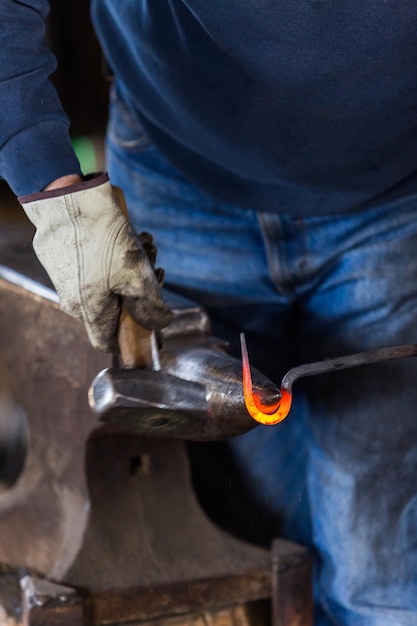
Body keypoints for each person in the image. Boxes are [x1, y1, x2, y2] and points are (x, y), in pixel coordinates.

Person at [2, 2, 417, 624]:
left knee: (376, 580)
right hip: (176, 164)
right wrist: (52, 190)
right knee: (240, 530)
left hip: (390, 195)